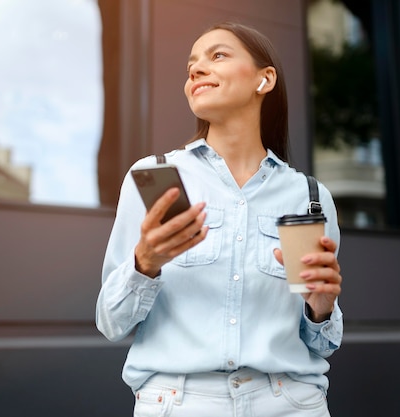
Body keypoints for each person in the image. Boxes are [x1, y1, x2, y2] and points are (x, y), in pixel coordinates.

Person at [96, 21, 343, 417]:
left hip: (291, 404)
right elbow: (111, 323)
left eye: (218, 55)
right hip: (178, 404)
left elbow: (323, 343)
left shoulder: (310, 198)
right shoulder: (154, 180)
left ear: (265, 80)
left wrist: (321, 308)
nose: (195, 69)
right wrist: (145, 264)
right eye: (191, 63)